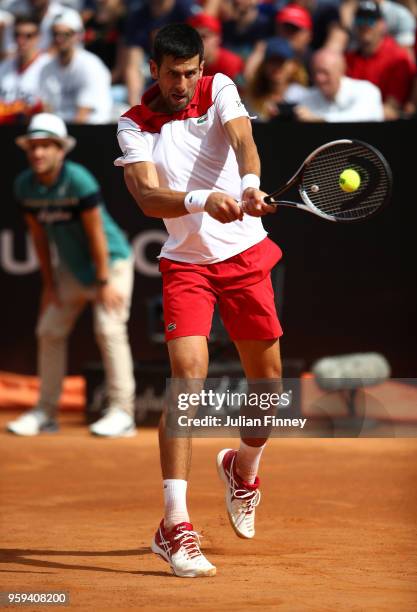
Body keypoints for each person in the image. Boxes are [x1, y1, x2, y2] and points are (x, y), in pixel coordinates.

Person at [115, 22, 283, 578]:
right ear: (155, 71)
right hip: (187, 267)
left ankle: (243, 467)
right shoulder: (134, 124)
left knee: (270, 387)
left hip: (244, 259)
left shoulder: (221, 89)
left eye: (192, 72)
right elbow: (144, 195)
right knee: (187, 380)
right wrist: (201, 200)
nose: (184, 83)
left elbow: (242, 140)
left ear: (201, 68)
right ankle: (174, 524)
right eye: (173, 74)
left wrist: (251, 182)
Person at [7, 112, 136, 437]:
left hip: (112, 262)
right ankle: (45, 413)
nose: (38, 153)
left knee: (109, 329)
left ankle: (123, 413)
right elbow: (38, 236)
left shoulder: (79, 180)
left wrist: (104, 281)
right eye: (33, 147)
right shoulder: (25, 186)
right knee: (49, 330)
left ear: (60, 150)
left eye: (46, 146)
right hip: (71, 273)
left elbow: (96, 235)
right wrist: (49, 285)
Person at [39, 9, 112, 123]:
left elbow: (82, 115)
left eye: (66, 34)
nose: (59, 39)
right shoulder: (46, 68)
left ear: (77, 36)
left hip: (91, 130)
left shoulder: (91, 65)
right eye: (56, 34)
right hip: (61, 130)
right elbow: (47, 109)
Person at [345, 0, 415, 119]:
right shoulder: (348, 58)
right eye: (360, 20)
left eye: (370, 21)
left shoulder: (397, 58)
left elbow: (391, 109)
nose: (365, 26)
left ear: (382, 25)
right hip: (351, 122)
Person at [294, 47, 384, 121]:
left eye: (325, 72)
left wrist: (319, 119)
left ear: (341, 71)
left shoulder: (366, 91)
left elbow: (362, 118)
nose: (319, 78)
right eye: (315, 73)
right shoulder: (307, 97)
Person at [243, 37, 308, 122]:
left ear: (293, 65)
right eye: (272, 61)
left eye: (281, 62)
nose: (277, 67)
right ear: (264, 65)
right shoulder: (252, 100)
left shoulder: (304, 96)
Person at [0, 14, 50, 124]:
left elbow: (49, 108)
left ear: (39, 37)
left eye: (28, 36)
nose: (21, 41)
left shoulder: (48, 66)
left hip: (35, 129)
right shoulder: (4, 66)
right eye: (17, 35)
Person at [187, 12, 244, 81]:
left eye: (204, 36)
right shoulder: (185, 65)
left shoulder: (232, 65)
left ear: (218, 38)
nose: (198, 42)